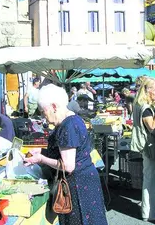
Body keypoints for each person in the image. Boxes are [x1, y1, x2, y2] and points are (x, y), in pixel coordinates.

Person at [24, 84, 108, 225]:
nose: (43, 115)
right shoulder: (73, 119)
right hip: (84, 181)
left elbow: (68, 166)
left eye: (43, 110)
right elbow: (67, 153)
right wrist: (42, 151)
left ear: (54, 106)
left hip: (78, 187)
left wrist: (41, 159)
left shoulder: (67, 126)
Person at [130, 78, 155, 222]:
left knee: (150, 179)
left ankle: (149, 211)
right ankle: (150, 213)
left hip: (148, 146)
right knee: (151, 180)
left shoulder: (140, 104)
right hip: (150, 146)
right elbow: (151, 127)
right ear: (147, 90)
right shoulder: (145, 107)